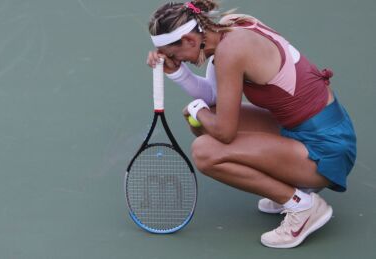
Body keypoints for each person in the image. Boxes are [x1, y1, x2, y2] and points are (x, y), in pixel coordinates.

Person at [146, 0, 357, 248]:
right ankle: (296, 185)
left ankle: (303, 207)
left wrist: (195, 109)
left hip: (326, 149)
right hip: (309, 130)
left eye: (175, 55)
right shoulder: (228, 29)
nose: (180, 60)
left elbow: (224, 132)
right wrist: (177, 73)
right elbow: (214, 97)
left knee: (205, 152)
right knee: (204, 122)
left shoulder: (231, 52)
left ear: (191, 41)